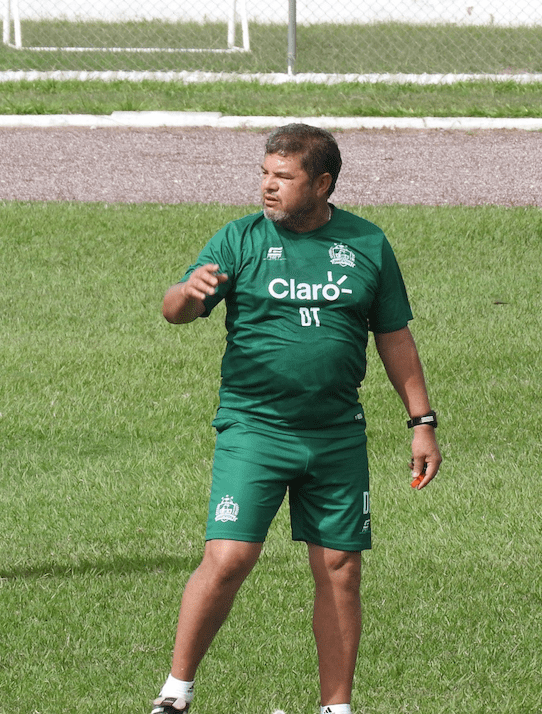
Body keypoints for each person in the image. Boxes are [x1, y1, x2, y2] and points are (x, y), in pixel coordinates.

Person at [150, 124, 441, 714]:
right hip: (254, 430)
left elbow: (394, 336)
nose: (267, 187)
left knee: (339, 570)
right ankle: (175, 694)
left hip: (336, 436)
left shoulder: (367, 244)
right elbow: (174, 312)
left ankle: (336, 708)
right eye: (264, 174)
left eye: (283, 177)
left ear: (323, 183)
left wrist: (422, 421)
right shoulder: (239, 239)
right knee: (229, 557)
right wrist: (186, 290)